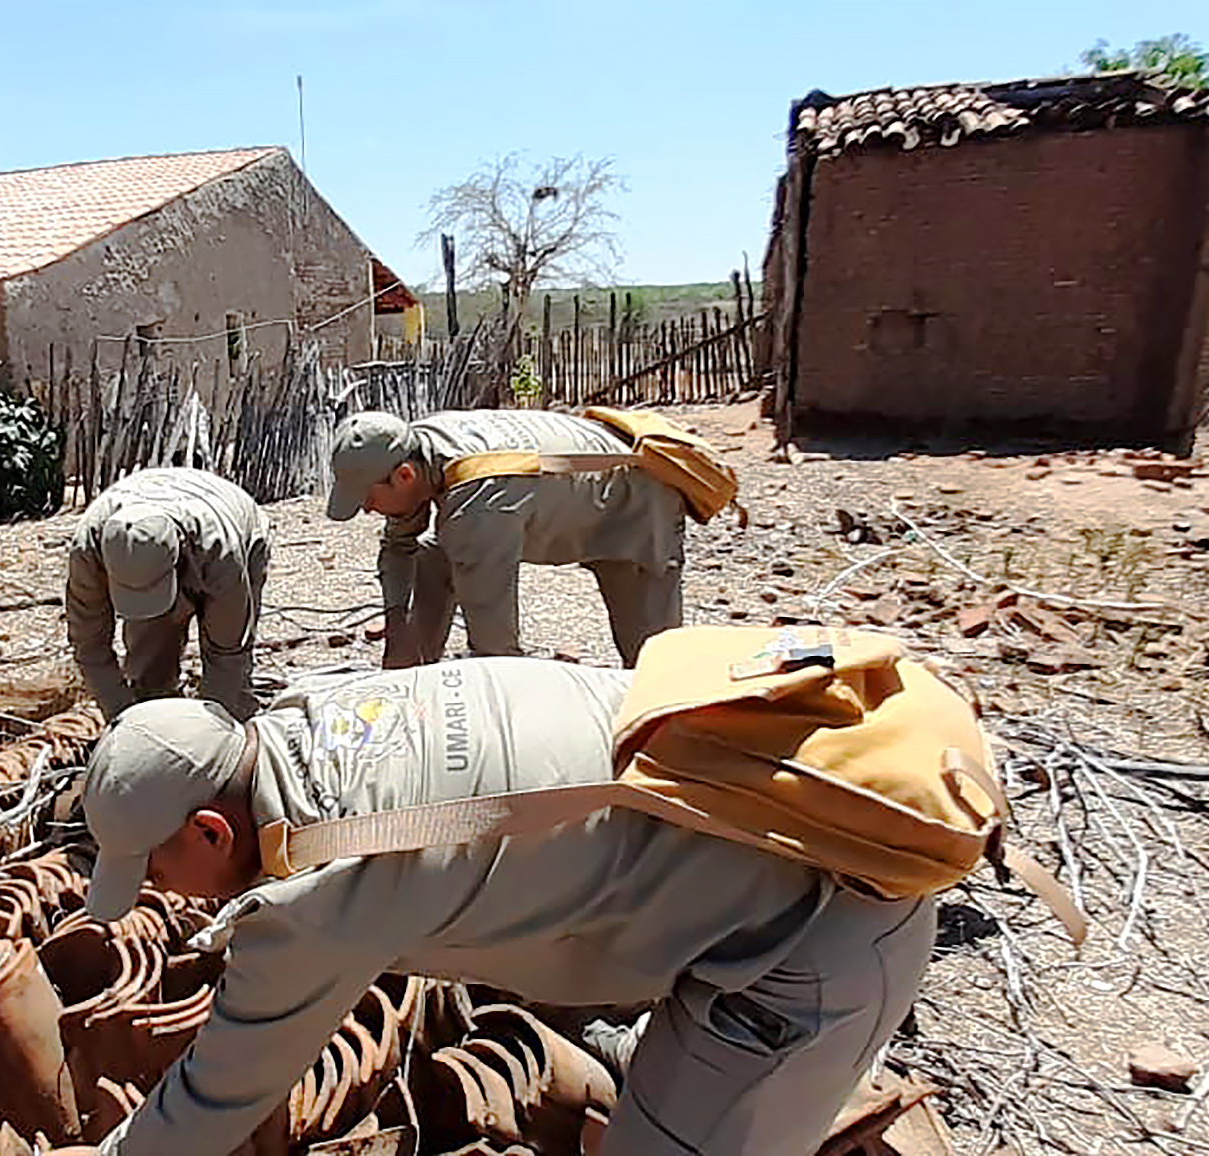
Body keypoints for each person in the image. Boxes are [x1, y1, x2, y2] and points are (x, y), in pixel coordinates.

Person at [73, 657, 936, 1156]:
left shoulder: (316, 894)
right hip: (767, 832)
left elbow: (210, 1103)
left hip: (811, 939)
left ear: (215, 833)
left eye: (151, 868)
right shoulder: (324, 710)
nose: (154, 891)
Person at [324, 409, 686, 669]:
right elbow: (399, 547)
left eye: (369, 500)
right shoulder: (416, 448)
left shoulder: (477, 505)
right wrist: (397, 627)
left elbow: (495, 648)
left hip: (636, 500)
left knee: (654, 665)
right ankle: (416, 670)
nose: (369, 510)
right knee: (433, 555)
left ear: (403, 476)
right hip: (577, 482)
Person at [66, 468, 269, 722]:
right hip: (166, 524)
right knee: (149, 667)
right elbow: (89, 648)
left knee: (231, 693)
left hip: (237, 523)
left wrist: (211, 734)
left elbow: (227, 654)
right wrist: (123, 719)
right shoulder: (88, 550)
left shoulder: (221, 551)